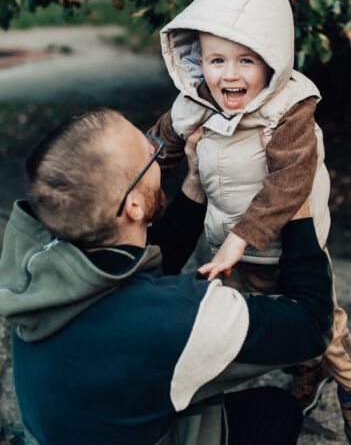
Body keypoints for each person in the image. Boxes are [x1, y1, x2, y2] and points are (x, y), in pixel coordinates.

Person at [0, 107, 333, 445]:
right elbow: (310, 322)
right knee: (277, 411)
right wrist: (293, 197)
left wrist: (194, 185)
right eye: (152, 153)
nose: (159, 148)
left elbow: (135, 274)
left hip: (65, 430)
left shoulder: (33, 253)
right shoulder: (179, 318)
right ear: (134, 207)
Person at [150, 0, 351, 444]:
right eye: (216, 59)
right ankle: (304, 368)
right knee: (254, 319)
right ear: (198, 59)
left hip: (289, 247)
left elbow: (289, 179)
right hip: (224, 244)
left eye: (246, 60)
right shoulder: (198, 102)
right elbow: (159, 145)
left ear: (272, 61)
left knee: (323, 323)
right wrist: (132, 174)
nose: (228, 75)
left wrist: (242, 236)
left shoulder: (289, 110)